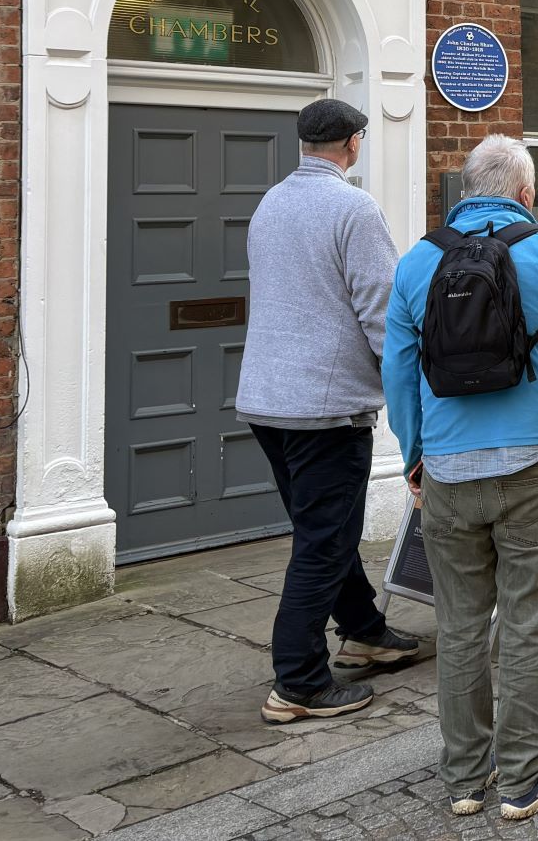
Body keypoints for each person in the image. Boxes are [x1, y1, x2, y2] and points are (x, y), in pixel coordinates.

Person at [384, 135, 538, 824]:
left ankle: (463, 779)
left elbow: (397, 373)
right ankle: (523, 780)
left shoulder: (416, 263)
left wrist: (414, 454)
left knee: (457, 625)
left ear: (464, 190)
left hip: (448, 469)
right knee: (527, 619)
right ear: (526, 194)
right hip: (536, 462)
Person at [236, 97, 420, 726]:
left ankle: (365, 630)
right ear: (354, 142)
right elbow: (382, 311)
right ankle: (299, 681)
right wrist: (410, 387)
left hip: (266, 401)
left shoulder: (270, 204)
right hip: (326, 407)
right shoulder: (355, 207)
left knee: (323, 529)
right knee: (323, 540)